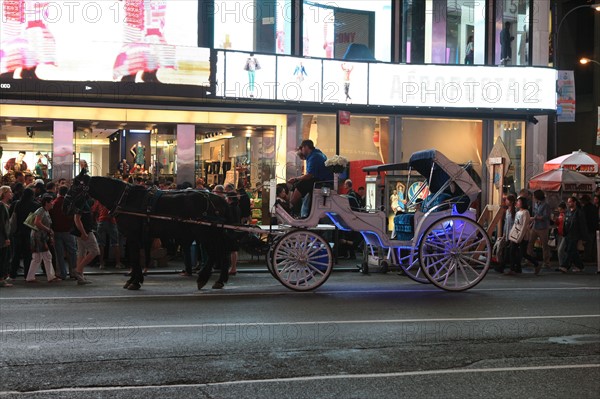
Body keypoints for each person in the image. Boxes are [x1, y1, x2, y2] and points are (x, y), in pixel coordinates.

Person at [287, 139, 333, 213]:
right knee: (298, 184)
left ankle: (290, 206)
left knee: (301, 185)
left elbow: (309, 175)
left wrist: (296, 179)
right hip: (320, 180)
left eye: (301, 148)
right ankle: (294, 207)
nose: (301, 151)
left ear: (306, 147)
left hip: (322, 183)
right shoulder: (315, 154)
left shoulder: (314, 157)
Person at [26, 195, 60, 283]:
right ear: (47, 203)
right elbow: (37, 222)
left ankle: (30, 277)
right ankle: (51, 276)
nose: (53, 204)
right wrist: (48, 229)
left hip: (39, 236)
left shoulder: (45, 211)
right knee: (47, 256)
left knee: (37, 257)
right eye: (51, 202)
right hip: (39, 237)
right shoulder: (41, 210)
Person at [9, 188, 40, 279]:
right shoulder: (35, 205)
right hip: (29, 233)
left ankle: (12, 274)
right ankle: (28, 274)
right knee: (28, 255)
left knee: (16, 255)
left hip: (17, 232)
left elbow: (11, 216)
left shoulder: (16, 204)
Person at [49, 185, 78, 280]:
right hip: (68, 231)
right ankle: (73, 272)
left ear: (59, 192)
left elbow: (51, 217)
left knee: (59, 254)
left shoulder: (54, 203)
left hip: (57, 231)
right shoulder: (69, 203)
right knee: (72, 252)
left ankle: (62, 273)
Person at [507, 196, 539, 275]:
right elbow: (515, 224)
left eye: (519, 201)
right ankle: (513, 269)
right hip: (515, 235)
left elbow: (524, 226)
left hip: (523, 236)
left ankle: (536, 264)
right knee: (512, 251)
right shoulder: (518, 212)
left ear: (523, 203)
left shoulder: (526, 212)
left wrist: (520, 237)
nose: (517, 203)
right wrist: (511, 234)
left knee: (523, 253)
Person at [72, 197, 99, 285]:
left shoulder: (82, 201)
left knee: (82, 252)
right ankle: (78, 270)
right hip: (85, 231)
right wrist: (83, 232)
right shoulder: (81, 202)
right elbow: (77, 218)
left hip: (81, 231)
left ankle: (80, 277)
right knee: (95, 251)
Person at [91, 200, 123, 270]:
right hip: (112, 221)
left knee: (101, 244)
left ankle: (101, 264)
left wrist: (96, 221)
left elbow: (94, 212)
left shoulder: (99, 200)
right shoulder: (113, 200)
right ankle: (118, 264)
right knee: (115, 243)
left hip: (101, 221)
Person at [559, 196, 587, 273]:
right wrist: (564, 232)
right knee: (573, 251)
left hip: (575, 235)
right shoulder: (568, 212)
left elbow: (582, 225)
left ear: (574, 202)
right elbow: (566, 223)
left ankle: (564, 266)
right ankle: (580, 266)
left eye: (570, 201)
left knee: (569, 250)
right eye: (568, 202)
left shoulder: (579, 212)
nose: (569, 203)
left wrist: (584, 237)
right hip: (568, 234)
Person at [527, 190, 551, 270]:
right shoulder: (536, 204)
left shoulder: (545, 205)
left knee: (545, 245)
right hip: (535, 226)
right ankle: (529, 260)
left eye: (534, 196)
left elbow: (546, 216)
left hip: (543, 227)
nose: (533, 197)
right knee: (530, 243)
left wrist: (535, 218)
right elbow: (535, 213)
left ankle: (546, 262)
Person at [494, 194, 516, 273]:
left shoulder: (515, 211)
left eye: (507, 200)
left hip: (513, 234)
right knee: (507, 251)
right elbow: (506, 223)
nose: (506, 201)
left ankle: (506, 267)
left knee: (510, 252)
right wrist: (504, 234)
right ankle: (508, 267)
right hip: (507, 234)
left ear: (511, 201)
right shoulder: (507, 211)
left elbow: (515, 224)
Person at [0, 186, 13, 287]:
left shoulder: (5, 205)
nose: (11, 193)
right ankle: (1, 279)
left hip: (4, 235)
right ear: (4, 194)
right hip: (2, 237)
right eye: (9, 192)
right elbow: (2, 223)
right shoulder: (1, 206)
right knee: (3, 257)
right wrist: (6, 237)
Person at [580, 195, 598, 261]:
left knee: (588, 244)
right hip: (594, 228)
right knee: (593, 244)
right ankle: (593, 257)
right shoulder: (594, 207)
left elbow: (584, 220)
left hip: (588, 228)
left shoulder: (585, 208)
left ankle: (587, 257)